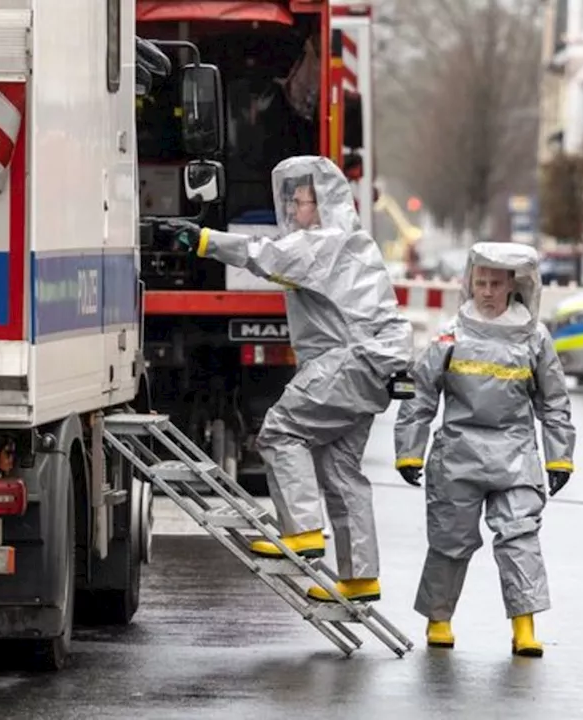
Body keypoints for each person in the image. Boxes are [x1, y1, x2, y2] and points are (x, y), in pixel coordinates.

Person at [162, 156, 413, 604]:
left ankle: (302, 532)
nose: (294, 210)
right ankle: (359, 578)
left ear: (323, 205)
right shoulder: (355, 243)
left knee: (280, 433)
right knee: (341, 472)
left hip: (343, 364)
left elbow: (265, 255)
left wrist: (202, 241)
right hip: (368, 368)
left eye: (301, 202)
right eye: (295, 201)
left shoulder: (324, 243)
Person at [394, 242, 576, 657]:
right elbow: (421, 393)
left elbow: (553, 401)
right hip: (458, 454)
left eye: (496, 283)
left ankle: (524, 628)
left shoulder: (533, 338)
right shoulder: (450, 335)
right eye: (481, 282)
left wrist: (559, 456)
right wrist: (409, 450)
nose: (487, 291)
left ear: (514, 284)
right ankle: (438, 620)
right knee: (449, 540)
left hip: (514, 454)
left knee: (520, 537)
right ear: (470, 282)